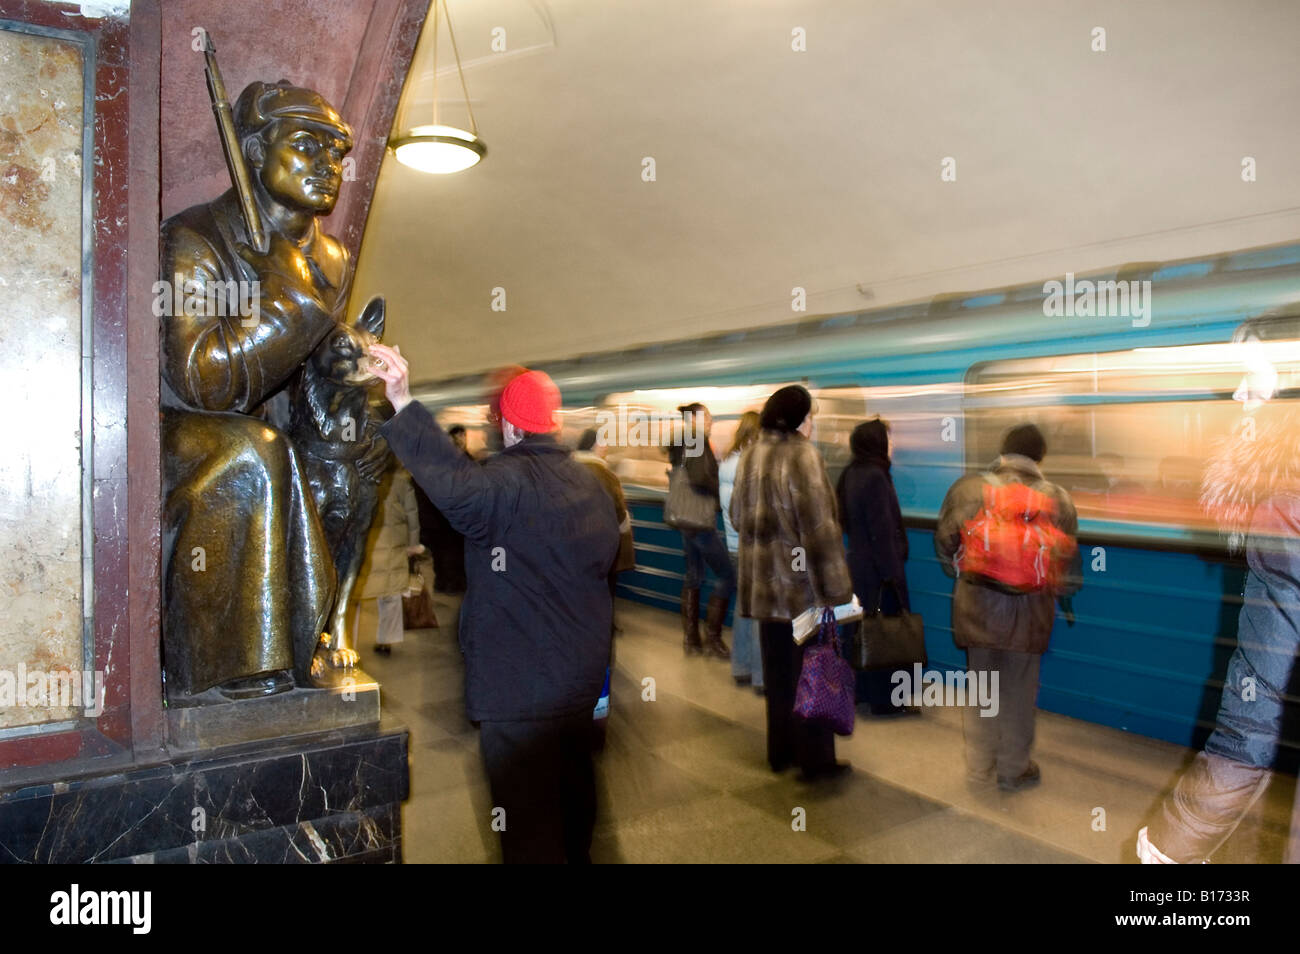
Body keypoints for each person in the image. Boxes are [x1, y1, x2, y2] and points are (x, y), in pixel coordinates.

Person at [159, 80, 381, 700]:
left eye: (337, 153)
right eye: (306, 145)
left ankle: (306, 640)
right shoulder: (195, 237)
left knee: (330, 460)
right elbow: (199, 379)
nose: (327, 166)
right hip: (183, 430)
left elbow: (307, 374)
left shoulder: (330, 257)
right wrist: (285, 311)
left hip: (270, 425)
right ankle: (230, 669)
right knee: (252, 451)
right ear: (254, 150)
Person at [367, 347, 619, 864]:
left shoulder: (502, 485)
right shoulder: (591, 487)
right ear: (551, 424)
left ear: (508, 428)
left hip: (519, 693)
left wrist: (400, 397)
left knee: (526, 828)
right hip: (580, 687)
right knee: (576, 816)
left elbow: (449, 482)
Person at [1138, 312, 1300, 863]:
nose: (1237, 393)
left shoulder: (1284, 509)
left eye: (1251, 377)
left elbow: (1253, 717)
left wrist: (1170, 845)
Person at [934, 423, 1081, 792]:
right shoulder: (1057, 497)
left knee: (983, 688)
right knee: (1018, 692)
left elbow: (945, 542)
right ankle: (1013, 768)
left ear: (1003, 452)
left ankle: (978, 768)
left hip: (977, 606)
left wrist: (962, 571)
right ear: (1039, 457)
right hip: (1030, 614)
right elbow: (1069, 563)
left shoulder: (968, 489)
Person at [731, 386, 854, 780]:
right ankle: (814, 761)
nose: (813, 423)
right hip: (803, 596)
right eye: (810, 416)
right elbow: (820, 533)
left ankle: (780, 752)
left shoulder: (751, 456)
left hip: (767, 595)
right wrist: (838, 593)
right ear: (799, 419)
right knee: (813, 672)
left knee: (780, 675)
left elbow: (737, 516)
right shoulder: (803, 457)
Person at [837, 418, 916, 716]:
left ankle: (860, 692)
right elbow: (883, 531)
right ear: (877, 443)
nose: (892, 446)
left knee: (859, 632)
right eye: (888, 439)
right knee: (887, 634)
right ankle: (887, 700)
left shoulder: (850, 473)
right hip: (879, 570)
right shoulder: (876, 477)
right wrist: (892, 575)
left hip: (857, 566)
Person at [667, 402, 735, 658]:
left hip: (686, 519)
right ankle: (713, 640)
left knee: (694, 575)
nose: (711, 421)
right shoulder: (696, 439)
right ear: (694, 419)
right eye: (707, 417)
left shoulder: (682, 441)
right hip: (699, 520)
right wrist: (718, 488)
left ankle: (691, 639)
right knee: (727, 575)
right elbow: (698, 477)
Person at [354, 464, 422, 656]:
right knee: (391, 595)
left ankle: (346, 640)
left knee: (354, 595)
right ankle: (385, 641)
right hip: (394, 543)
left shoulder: (361, 474)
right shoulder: (400, 480)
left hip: (367, 540)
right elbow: (412, 514)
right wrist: (413, 544)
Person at [719, 411, 763, 691]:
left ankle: (741, 666)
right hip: (750, 546)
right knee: (759, 611)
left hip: (734, 545)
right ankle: (761, 677)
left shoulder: (727, 462)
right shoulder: (747, 466)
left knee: (743, 608)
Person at [575, 428, 637, 616]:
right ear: (593, 445)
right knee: (605, 585)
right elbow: (617, 509)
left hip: (575, 539)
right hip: (601, 540)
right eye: (603, 442)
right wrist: (624, 525)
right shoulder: (603, 473)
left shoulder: (568, 470)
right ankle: (603, 624)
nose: (606, 446)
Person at [415, 424, 471, 596]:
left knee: (450, 553)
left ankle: (450, 582)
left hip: (447, 520)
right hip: (442, 520)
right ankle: (448, 582)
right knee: (446, 553)